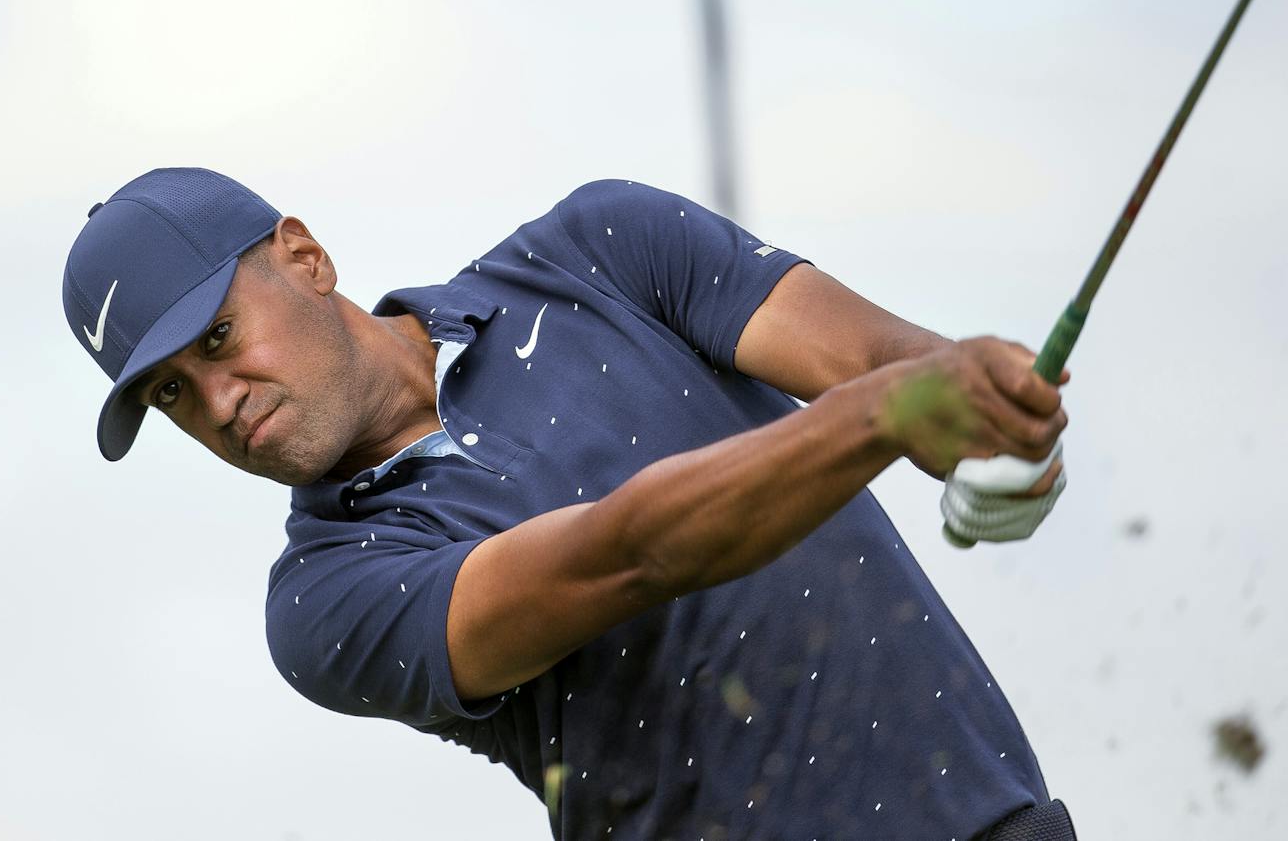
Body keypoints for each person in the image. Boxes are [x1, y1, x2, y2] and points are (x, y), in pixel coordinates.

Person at [62, 167, 1078, 840]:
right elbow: (622, 556)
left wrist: (984, 412)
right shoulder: (327, 596)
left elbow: (875, 360)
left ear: (304, 256)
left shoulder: (600, 250)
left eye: (217, 339)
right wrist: (888, 416)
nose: (218, 401)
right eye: (171, 394)